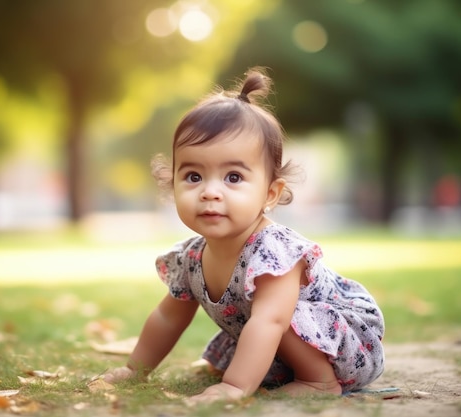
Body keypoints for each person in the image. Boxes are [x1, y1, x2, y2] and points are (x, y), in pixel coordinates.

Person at [103, 68, 385, 404]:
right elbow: (167, 316)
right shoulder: (192, 257)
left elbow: (270, 321)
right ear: (171, 183)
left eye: (233, 177)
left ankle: (318, 382)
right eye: (193, 176)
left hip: (340, 344)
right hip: (274, 340)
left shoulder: (275, 253)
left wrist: (234, 387)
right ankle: (274, 371)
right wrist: (136, 369)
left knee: (279, 314)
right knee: (263, 325)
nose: (210, 192)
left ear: (270, 194)